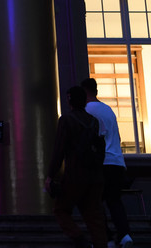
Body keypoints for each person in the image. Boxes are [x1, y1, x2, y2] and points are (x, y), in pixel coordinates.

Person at [45, 86, 107, 248]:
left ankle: (80, 239)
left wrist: (51, 175)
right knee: (94, 217)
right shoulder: (94, 122)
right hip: (95, 176)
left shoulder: (66, 120)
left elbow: (59, 150)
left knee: (61, 210)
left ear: (69, 100)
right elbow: (101, 149)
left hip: (75, 175)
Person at [82, 78, 133, 248]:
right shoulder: (109, 110)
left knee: (94, 201)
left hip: (100, 162)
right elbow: (117, 137)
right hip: (116, 161)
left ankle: (107, 237)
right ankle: (125, 235)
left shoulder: (86, 110)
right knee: (114, 200)